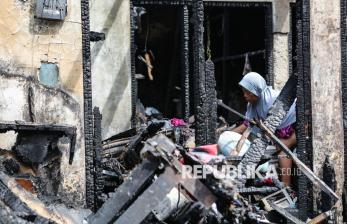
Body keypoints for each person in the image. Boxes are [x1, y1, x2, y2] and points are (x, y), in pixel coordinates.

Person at [233, 72, 296, 186]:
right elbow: (249, 124)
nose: (245, 95)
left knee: (282, 148)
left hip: (296, 126)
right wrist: (231, 138)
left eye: (248, 92)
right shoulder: (253, 105)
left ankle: (287, 187)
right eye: (244, 92)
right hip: (280, 131)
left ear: (257, 90)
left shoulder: (273, 99)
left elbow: (286, 118)